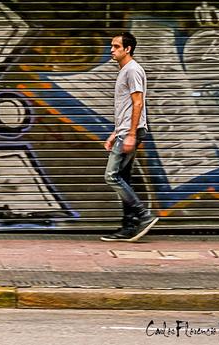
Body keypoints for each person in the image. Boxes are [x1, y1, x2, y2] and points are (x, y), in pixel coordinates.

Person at [100, 32, 159, 242]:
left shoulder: (133, 70)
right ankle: (128, 227)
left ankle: (143, 215)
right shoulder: (125, 70)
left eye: (116, 46)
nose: (112, 50)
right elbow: (126, 108)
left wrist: (131, 134)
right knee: (123, 177)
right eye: (112, 46)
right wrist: (115, 132)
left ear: (128, 49)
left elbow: (138, 103)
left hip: (131, 131)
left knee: (111, 176)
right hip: (125, 130)